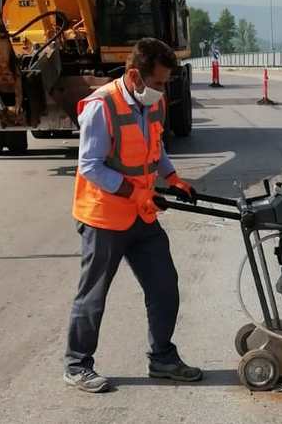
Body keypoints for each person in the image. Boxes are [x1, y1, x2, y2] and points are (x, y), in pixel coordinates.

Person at [63, 37, 201, 393]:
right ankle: (78, 365)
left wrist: (173, 178)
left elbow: (157, 145)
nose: (161, 90)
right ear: (134, 76)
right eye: (157, 83)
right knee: (93, 295)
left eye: (165, 83)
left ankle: (163, 359)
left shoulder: (153, 104)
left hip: (142, 214)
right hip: (105, 217)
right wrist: (138, 191)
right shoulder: (101, 106)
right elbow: (90, 166)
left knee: (164, 286)